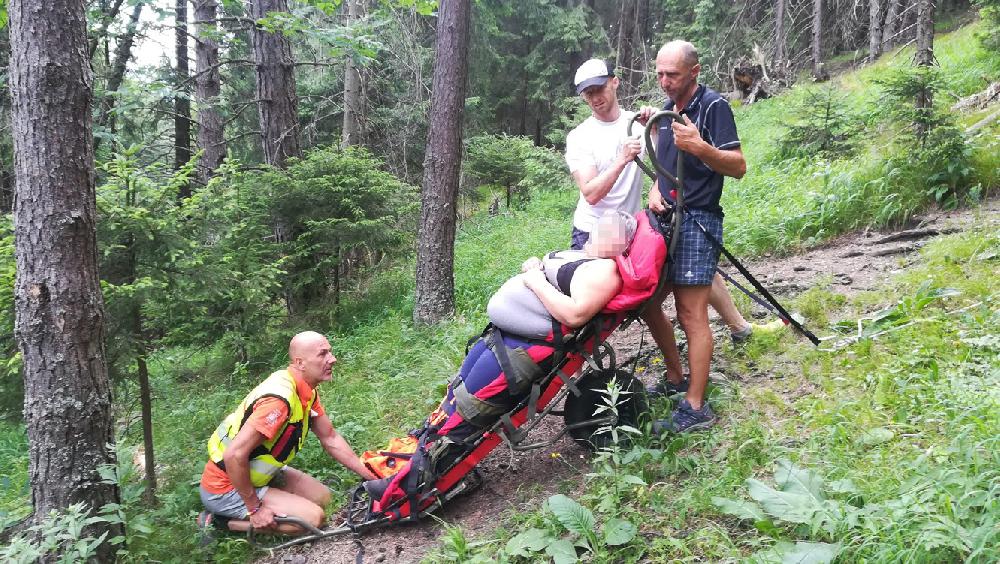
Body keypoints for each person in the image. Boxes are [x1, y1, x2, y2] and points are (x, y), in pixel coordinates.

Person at [641, 40, 748, 433]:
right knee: (649, 302)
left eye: (672, 74)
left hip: (698, 220)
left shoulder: (713, 106)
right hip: (667, 222)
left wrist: (701, 147)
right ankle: (675, 377)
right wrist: (655, 189)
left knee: (690, 313)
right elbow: (666, 169)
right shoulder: (669, 109)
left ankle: (696, 406)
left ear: (694, 72)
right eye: (659, 74)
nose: (664, 81)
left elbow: (738, 166)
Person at [197, 331, 377, 536]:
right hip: (226, 486)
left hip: (262, 475)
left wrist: (371, 477)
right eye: (323, 354)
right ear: (300, 363)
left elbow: (330, 438)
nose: (332, 359)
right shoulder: (278, 401)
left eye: (330, 352)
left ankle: (274, 500)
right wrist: (254, 509)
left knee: (326, 499)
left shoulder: (305, 390)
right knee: (313, 519)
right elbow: (234, 454)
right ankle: (219, 521)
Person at [564, 59, 645, 251]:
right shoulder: (579, 136)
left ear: (615, 82)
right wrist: (622, 160)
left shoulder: (638, 124)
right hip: (591, 232)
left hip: (630, 231)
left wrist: (658, 123)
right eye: (588, 93)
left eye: (599, 89)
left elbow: (667, 163)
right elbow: (591, 194)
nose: (595, 98)